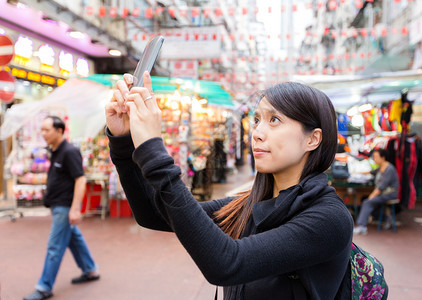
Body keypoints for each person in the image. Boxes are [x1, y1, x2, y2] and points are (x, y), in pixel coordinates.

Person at [105, 73, 353, 299]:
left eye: (274, 120)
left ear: (313, 139)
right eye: (257, 120)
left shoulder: (329, 218)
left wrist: (153, 149)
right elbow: (154, 214)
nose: (257, 132)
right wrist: (124, 142)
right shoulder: (250, 204)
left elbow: (227, 264)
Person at [24, 116, 99, 300]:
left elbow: (80, 180)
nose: (43, 134)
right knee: (74, 239)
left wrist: (75, 209)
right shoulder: (55, 150)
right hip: (58, 205)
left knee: (54, 247)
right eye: (41, 130)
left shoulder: (69, 151)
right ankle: (90, 270)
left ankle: (44, 287)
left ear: (59, 130)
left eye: (46, 130)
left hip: (64, 207)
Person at [353, 148, 399, 235]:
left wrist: (371, 196)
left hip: (389, 194)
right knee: (366, 201)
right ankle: (386, 218)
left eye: (376, 157)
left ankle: (362, 226)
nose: (374, 159)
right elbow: (371, 172)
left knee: (367, 202)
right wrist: (357, 172)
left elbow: (381, 188)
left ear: (383, 157)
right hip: (382, 194)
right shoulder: (380, 168)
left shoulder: (389, 169)